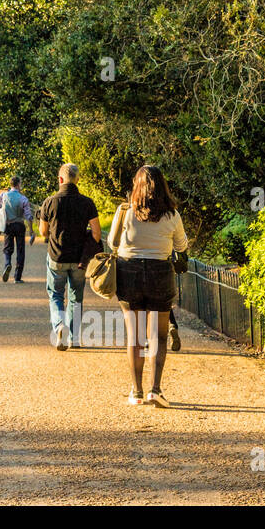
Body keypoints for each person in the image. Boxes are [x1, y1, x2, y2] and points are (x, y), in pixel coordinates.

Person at [111, 165, 189, 408]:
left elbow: (112, 242)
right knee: (158, 335)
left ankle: (136, 392)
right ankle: (155, 390)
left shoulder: (125, 212)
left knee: (134, 336)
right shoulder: (172, 215)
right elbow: (181, 246)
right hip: (159, 274)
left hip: (129, 272)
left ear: (137, 185)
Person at [37, 163, 102, 351]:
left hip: (56, 257)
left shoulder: (49, 202)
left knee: (56, 294)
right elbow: (96, 233)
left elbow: (43, 232)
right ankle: (74, 338)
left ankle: (59, 326)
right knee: (76, 298)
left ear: (60, 180)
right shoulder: (87, 203)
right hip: (79, 259)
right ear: (78, 180)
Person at [0, 176, 34, 283]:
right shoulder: (23, 199)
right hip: (20, 225)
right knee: (20, 250)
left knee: (7, 248)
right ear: (18, 185)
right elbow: (28, 216)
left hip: (8, 225)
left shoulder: (3, 196)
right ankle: (17, 277)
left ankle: (7, 264)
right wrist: (31, 230)